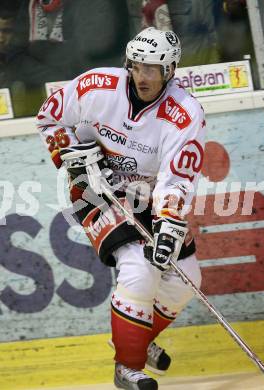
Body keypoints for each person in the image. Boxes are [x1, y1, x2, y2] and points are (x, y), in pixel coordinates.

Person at [37, 27, 205, 390]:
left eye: (153, 69)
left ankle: (136, 341)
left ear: (170, 71)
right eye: (137, 66)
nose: (143, 77)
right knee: (139, 269)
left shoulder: (185, 113)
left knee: (184, 281)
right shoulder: (95, 85)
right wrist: (72, 160)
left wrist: (169, 223)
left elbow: (176, 176)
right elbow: (49, 118)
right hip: (94, 188)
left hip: (150, 194)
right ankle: (127, 367)